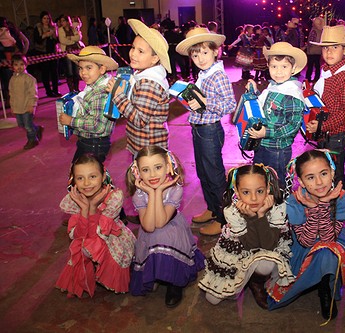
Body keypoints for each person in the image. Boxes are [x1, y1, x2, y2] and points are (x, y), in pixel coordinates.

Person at [267, 150, 345, 321]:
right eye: (310, 177)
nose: (319, 182)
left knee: (327, 251)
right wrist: (313, 208)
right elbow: (306, 240)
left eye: (324, 174)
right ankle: (321, 279)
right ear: (301, 182)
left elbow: (328, 238)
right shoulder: (294, 202)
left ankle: (326, 288)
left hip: (333, 240)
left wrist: (324, 205)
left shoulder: (342, 199)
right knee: (321, 250)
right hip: (303, 245)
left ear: (332, 173)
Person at [198, 164, 294, 309]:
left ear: (268, 189)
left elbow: (267, 246)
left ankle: (256, 281)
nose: (254, 198)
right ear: (236, 191)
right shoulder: (231, 211)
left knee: (266, 264)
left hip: (267, 247)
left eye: (260, 191)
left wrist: (260, 216)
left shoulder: (277, 206)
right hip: (240, 250)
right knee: (213, 299)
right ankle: (245, 278)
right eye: (246, 192)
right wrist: (251, 218)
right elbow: (249, 245)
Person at [176, 27, 237, 236]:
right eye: (195, 54)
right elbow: (197, 104)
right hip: (198, 128)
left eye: (204, 52)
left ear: (215, 51)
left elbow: (230, 104)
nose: (200, 58)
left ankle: (224, 219)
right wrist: (187, 100)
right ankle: (213, 208)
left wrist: (204, 101)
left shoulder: (217, 75)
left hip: (210, 130)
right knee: (203, 173)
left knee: (215, 175)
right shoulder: (203, 74)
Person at [126, 146, 205, 306]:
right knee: (154, 235)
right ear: (137, 172)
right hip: (150, 231)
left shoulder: (175, 189)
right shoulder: (139, 194)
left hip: (172, 229)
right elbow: (148, 226)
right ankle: (155, 272)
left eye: (158, 167)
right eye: (145, 170)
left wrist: (157, 191)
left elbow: (161, 222)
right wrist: (152, 192)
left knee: (162, 235)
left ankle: (174, 283)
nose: (153, 174)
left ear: (168, 167)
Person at [56, 154, 136, 298]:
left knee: (88, 245)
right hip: (89, 238)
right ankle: (86, 275)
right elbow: (79, 235)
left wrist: (92, 207)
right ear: (73, 179)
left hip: (111, 236)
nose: (86, 183)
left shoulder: (114, 196)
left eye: (92, 176)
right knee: (81, 244)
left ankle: (103, 271)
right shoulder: (74, 199)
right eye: (80, 178)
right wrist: (85, 209)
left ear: (103, 175)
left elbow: (100, 233)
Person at [107, 19, 172, 157]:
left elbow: (139, 119)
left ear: (154, 59)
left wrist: (119, 96)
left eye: (140, 51)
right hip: (141, 143)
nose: (133, 54)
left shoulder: (149, 84)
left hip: (149, 149)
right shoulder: (141, 75)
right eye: (133, 47)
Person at [246, 42, 307, 186]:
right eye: (274, 66)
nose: (278, 72)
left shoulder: (292, 93)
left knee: (277, 182)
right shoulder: (274, 86)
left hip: (278, 149)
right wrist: (254, 92)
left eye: (284, 67)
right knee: (261, 179)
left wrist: (266, 132)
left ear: (293, 69)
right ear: (268, 67)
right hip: (262, 144)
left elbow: (293, 126)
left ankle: (279, 206)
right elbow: (265, 108)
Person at [306, 25, 345, 190]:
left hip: (335, 135)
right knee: (325, 171)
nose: (329, 52)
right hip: (325, 131)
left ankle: (339, 211)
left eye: (334, 47)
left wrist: (322, 125)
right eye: (325, 48)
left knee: (335, 174)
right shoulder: (327, 72)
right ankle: (327, 208)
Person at [59, 46, 119, 163]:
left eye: (89, 68)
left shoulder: (101, 93)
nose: (83, 72)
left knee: (83, 176)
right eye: (81, 68)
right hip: (90, 142)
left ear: (102, 69)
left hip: (94, 144)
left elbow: (98, 125)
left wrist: (71, 121)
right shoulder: (93, 87)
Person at [9, 53, 43, 150]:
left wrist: (32, 105)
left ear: (26, 65)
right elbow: (11, 93)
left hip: (27, 106)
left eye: (21, 64)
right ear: (12, 67)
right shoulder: (12, 79)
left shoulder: (29, 79)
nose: (19, 67)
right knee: (22, 124)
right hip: (17, 107)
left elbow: (33, 93)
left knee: (28, 125)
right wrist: (12, 106)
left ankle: (33, 140)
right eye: (16, 64)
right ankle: (37, 129)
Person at [34, 11, 60, 97]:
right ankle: (48, 91)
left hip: (53, 52)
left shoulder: (53, 27)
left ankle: (55, 90)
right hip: (43, 52)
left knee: (54, 72)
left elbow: (57, 40)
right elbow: (37, 40)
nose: (46, 20)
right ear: (41, 19)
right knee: (45, 72)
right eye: (44, 18)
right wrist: (45, 35)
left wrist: (54, 35)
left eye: (48, 18)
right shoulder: (38, 27)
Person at [58, 15, 83, 92]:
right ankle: (71, 90)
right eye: (61, 21)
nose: (63, 23)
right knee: (69, 72)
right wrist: (73, 41)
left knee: (76, 71)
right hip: (67, 52)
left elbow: (79, 37)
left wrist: (70, 38)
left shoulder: (73, 29)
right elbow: (63, 40)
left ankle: (76, 88)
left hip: (75, 52)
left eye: (64, 21)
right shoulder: (60, 30)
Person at [305, 17, 325, 82]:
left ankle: (308, 78)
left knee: (310, 66)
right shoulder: (322, 30)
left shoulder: (314, 30)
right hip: (318, 50)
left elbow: (311, 40)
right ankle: (316, 78)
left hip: (312, 51)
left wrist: (307, 47)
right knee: (317, 66)